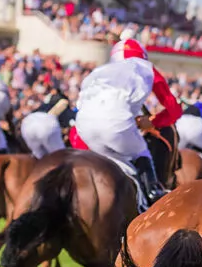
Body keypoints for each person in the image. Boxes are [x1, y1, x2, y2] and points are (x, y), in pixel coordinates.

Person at [71, 37, 179, 207]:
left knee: (115, 162)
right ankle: (151, 196)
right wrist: (152, 121)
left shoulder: (99, 71)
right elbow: (174, 110)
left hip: (83, 126)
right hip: (116, 123)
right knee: (142, 153)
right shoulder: (146, 68)